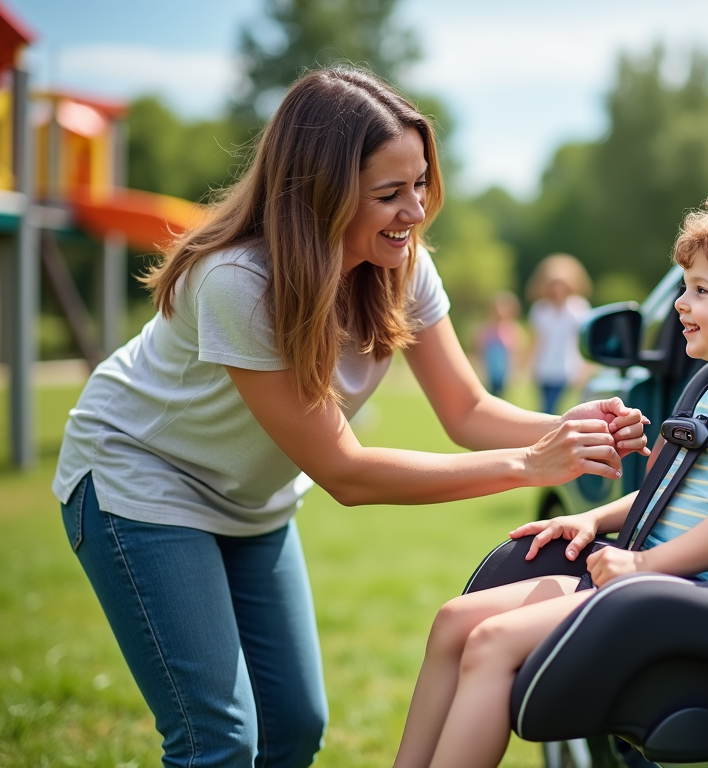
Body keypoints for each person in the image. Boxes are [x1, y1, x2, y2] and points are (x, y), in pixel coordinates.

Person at [50, 67, 650, 768]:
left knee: (295, 727)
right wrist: (529, 464)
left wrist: (566, 430)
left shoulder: (403, 264)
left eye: (421, 184)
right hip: (141, 481)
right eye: (390, 194)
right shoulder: (239, 282)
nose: (415, 211)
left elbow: (467, 408)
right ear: (320, 195)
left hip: (250, 500)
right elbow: (346, 471)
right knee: (217, 738)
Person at [393, 198, 708, 768]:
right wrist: (593, 518)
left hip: (678, 591)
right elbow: (669, 492)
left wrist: (640, 567)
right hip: (639, 577)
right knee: (454, 622)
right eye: (684, 287)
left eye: (701, 291)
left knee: (491, 645)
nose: (681, 304)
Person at [526, 254, 592, 413]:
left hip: (567, 370)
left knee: (551, 409)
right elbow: (537, 341)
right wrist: (530, 366)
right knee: (545, 409)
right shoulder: (540, 309)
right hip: (544, 369)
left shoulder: (579, 308)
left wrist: (585, 369)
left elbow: (582, 341)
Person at [474, 290, 524, 398]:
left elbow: (516, 350)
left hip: (504, 371)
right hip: (490, 370)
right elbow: (479, 349)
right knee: (490, 395)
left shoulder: (511, 329)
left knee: (501, 395)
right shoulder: (486, 329)